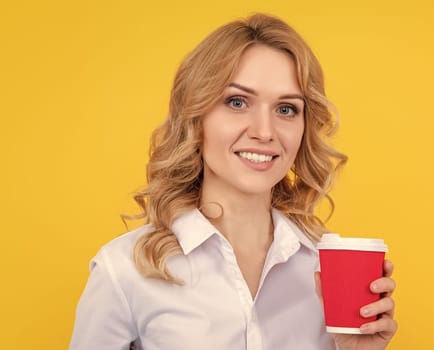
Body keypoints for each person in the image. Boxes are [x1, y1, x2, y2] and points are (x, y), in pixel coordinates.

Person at [69, 13, 397, 350]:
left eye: (286, 109)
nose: (264, 132)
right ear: (196, 117)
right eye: (237, 102)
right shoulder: (125, 270)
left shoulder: (327, 270)